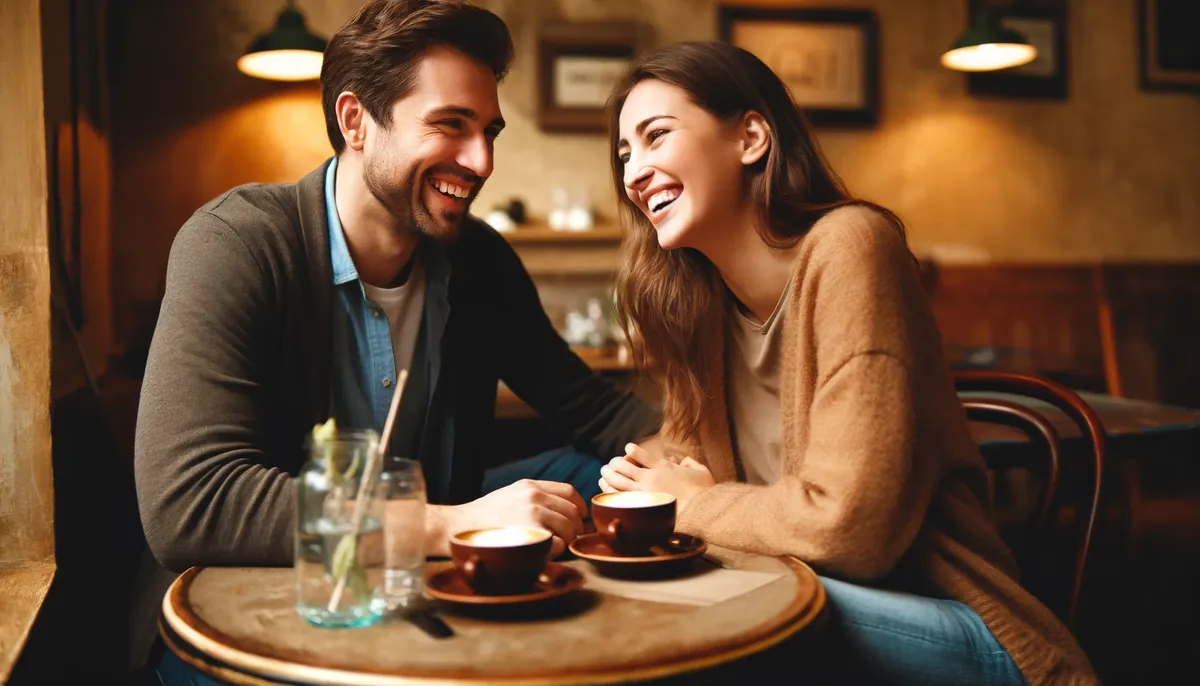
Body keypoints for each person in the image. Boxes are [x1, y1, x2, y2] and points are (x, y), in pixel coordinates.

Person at [133, 0, 661, 681]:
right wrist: (451, 526)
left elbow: (591, 408)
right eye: (450, 126)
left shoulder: (478, 259)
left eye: (489, 132)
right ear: (356, 120)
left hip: (413, 572)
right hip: (242, 608)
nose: (481, 160)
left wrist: (694, 464)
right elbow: (191, 504)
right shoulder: (236, 243)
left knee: (592, 471)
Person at [598, 41, 1096, 685]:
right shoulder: (698, 307)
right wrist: (645, 487)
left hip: (959, 625)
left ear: (751, 137)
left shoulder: (852, 247)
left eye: (655, 137)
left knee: (717, 619)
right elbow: (687, 475)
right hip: (799, 604)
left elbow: (852, 532)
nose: (634, 171)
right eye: (624, 154)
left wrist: (688, 503)